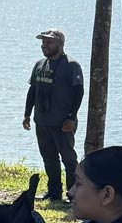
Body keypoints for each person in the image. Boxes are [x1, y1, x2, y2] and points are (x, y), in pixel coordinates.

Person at [22, 27, 84, 202]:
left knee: (69, 159)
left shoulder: (72, 65)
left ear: (60, 44)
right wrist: (27, 114)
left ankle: (74, 194)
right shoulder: (39, 65)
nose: (44, 45)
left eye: (49, 42)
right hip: (42, 120)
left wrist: (71, 118)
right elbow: (32, 90)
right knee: (49, 158)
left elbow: (79, 92)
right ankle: (54, 192)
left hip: (62, 122)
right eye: (43, 42)